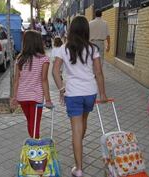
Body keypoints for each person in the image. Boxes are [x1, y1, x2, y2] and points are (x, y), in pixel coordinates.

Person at [52, 16, 108, 177]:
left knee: (76, 130)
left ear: (71, 30)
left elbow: (55, 71)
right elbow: (98, 73)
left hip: (73, 93)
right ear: (86, 30)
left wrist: (61, 88)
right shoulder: (93, 49)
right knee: (84, 122)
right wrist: (103, 94)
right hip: (90, 92)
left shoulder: (64, 48)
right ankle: (79, 145)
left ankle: (79, 169)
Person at [10, 30, 53, 139]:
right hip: (36, 97)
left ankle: (33, 147)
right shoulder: (44, 59)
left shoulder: (20, 59)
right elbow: (44, 80)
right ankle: (36, 149)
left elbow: (16, 80)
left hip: (22, 97)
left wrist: (14, 97)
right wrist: (48, 100)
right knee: (34, 125)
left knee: (30, 123)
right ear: (38, 42)